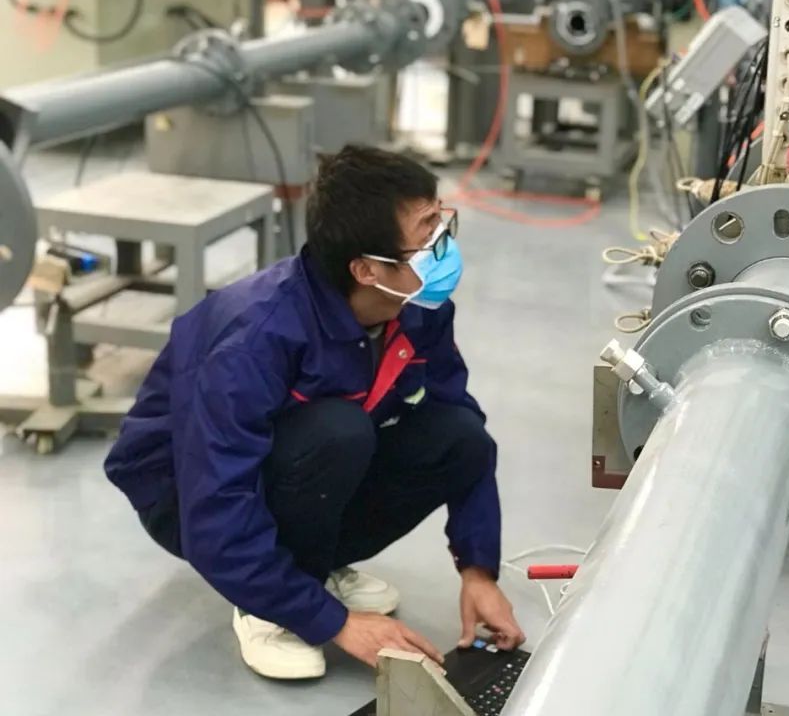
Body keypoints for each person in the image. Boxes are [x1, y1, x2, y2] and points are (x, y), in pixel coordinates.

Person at [104, 146, 525, 680]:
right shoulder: (256, 339)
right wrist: (336, 623)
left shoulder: (416, 308)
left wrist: (479, 569)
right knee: (338, 432)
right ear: (366, 269)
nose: (444, 247)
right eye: (427, 237)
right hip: (186, 499)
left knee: (458, 435)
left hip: (286, 473)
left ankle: (311, 567)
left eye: (442, 224)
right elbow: (214, 506)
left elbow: (460, 422)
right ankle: (271, 605)